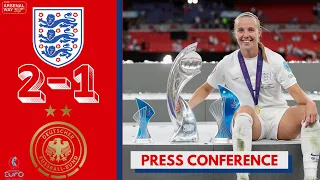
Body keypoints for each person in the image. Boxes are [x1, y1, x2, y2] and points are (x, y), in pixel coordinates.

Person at [177, 12, 320, 180]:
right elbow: (206, 89)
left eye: (251, 30)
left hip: (278, 118)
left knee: (310, 115)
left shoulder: (275, 60)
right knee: (243, 111)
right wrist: (186, 106)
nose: (246, 35)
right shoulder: (227, 63)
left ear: (259, 33)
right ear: (235, 34)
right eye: (241, 30)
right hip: (249, 122)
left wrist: (310, 103)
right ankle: (242, 177)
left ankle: (310, 177)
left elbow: (296, 93)